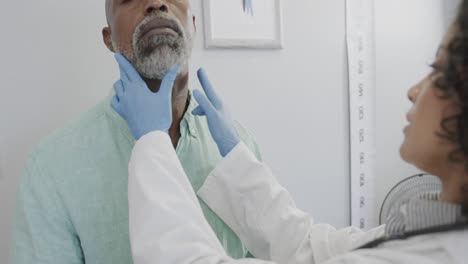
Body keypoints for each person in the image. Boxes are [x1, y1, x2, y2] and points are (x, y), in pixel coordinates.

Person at [115, 1, 468, 264]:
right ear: (108, 39)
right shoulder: (424, 228)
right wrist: (235, 156)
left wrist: (151, 142)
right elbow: (307, 248)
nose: (414, 91)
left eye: (436, 70)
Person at [10, 0, 262, 263]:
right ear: (109, 39)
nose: (156, 3)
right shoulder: (51, 168)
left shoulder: (240, 150)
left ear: (193, 24)